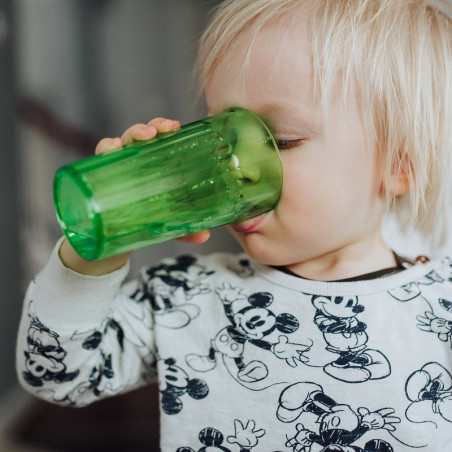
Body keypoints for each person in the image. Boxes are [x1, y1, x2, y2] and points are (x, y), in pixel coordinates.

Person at [16, 0, 452, 450]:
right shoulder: (184, 295)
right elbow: (56, 376)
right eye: (222, 138)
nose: (236, 168)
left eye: (280, 139)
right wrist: (101, 243)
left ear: (399, 165)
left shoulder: (440, 312)